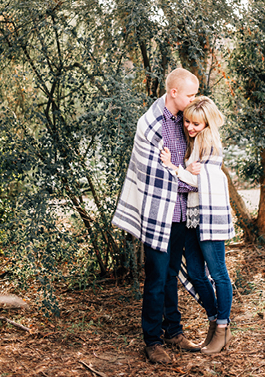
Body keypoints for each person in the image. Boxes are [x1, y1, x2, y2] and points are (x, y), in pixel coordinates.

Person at [111, 67, 202, 364]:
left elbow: (194, 155)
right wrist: (186, 176)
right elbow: (152, 175)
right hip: (156, 213)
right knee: (156, 276)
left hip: (179, 212)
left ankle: (174, 332)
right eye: (191, 94)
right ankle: (152, 340)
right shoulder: (150, 124)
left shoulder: (185, 121)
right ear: (174, 92)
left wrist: (191, 172)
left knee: (171, 274)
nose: (194, 98)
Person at [160, 96, 234, 355]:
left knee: (218, 273)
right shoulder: (196, 141)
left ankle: (222, 328)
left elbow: (196, 182)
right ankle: (214, 321)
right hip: (194, 214)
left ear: (207, 124)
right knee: (195, 271)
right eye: (188, 122)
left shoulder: (208, 142)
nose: (190, 127)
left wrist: (173, 167)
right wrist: (185, 169)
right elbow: (194, 177)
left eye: (196, 124)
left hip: (209, 213)